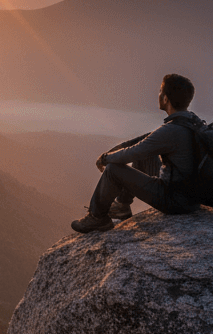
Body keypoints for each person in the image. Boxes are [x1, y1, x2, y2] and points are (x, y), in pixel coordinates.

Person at [71, 73, 202, 233]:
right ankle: (122, 206)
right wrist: (112, 151)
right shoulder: (192, 122)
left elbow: (133, 152)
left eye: (160, 91)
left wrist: (106, 159)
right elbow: (145, 141)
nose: (158, 95)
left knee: (113, 169)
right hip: (192, 198)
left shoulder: (171, 130)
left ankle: (97, 218)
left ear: (166, 99)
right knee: (147, 154)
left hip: (175, 201)